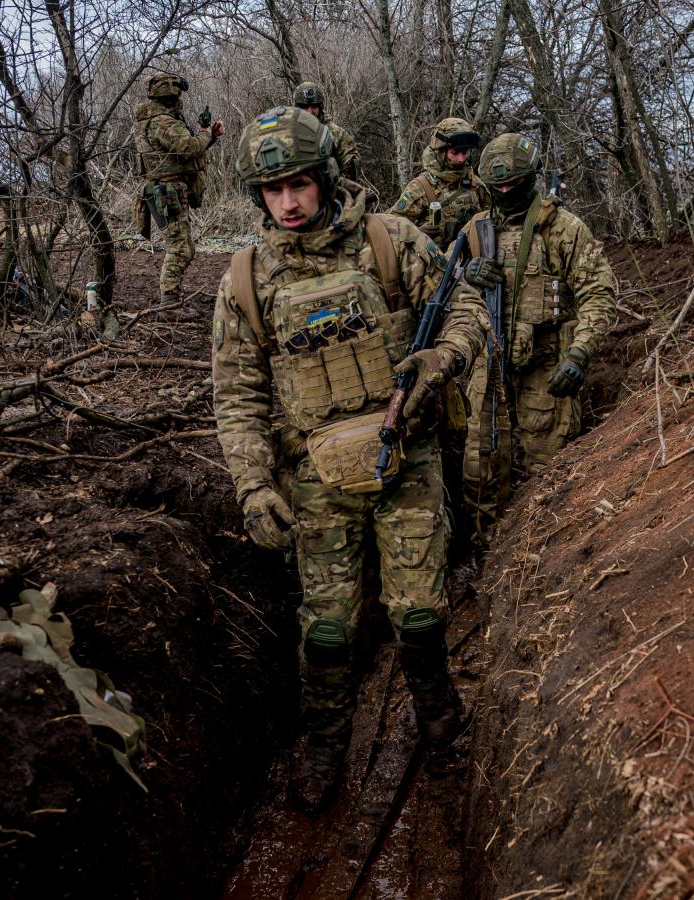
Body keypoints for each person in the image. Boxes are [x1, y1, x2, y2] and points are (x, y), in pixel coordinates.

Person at [211, 106, 489, 810]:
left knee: (419, 616)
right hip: (317, 480)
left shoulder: (390, 240)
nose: (289, 202)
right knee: (328, 633)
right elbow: (237, 396)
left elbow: (466, 312)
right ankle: (326, 744)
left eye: (299, 184)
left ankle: (439, 720)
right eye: (272, 192)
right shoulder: (247, 279)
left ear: (324, 178)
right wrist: (252, 488)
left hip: (408, 460)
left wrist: (442, 357)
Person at [457, 133, 618, 545]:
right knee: (483, 467)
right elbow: (431, 289)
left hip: (545, 371)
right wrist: (465, 274)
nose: (506, 192)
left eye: (515, 184)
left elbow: (598, 292)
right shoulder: (474, 231)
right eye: (499, 187)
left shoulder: (562, 228)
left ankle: (545, 554)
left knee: (550, 469)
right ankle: (487, 556)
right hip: (488, 374)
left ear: (532, 178)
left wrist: (580, 353)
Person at [133, 72, 224, 303]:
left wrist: (209, 136)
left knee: (185, 247)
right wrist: (205, 134)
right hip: (166, 192)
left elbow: (180, 152)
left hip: (168, 190)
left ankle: (171, 298)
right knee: (179, 249)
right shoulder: (162, 122)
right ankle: (169, 302)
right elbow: (189, 147)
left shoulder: (157, 121)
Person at [393, 117, 487, 247]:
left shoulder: (474, 183)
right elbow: (392, 225)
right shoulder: (421, 187)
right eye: (455, 152)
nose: (461, 159)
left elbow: (492, 217)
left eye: (465, 152)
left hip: (470, 260)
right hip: (433, 262)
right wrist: (416, 233)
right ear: (441, 151)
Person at [293, 81, 360, 181]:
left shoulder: (336, 134)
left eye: (314, 106)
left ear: (320, 107)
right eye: (304, 107)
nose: (310, 112)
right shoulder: (289, 134)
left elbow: (352, 166)